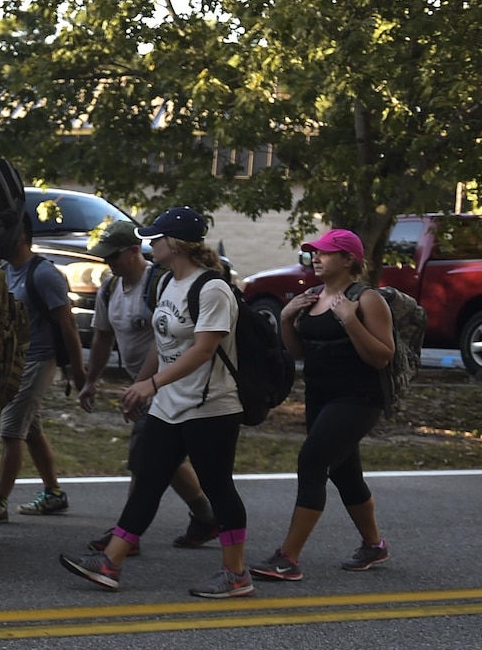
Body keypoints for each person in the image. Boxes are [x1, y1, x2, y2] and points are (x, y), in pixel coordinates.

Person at [59, 206, 255, 598]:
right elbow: (162, 344)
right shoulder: (166, 283)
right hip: (169, 405)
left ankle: (236, 574)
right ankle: (110, 563)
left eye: (156, 238)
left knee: (218, 487)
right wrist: (143, 385)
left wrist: (153, 384)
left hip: (210, 407)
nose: (150, 244)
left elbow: (203, 350)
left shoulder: (212, 288)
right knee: (148, 480)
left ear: (175, 244)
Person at [252, 228, 396, 579]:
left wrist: (350, 321)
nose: (316, 257)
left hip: (358, 398)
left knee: (312, 462)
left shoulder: (367, 300)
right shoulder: (313, 296)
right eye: (314, 252)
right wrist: (287, 318)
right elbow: (299, 352)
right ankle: (374, 546)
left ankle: (288, 557)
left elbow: (383, 357)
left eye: (326, 253)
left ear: (349, 259)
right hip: (320, 396)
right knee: (345, 474)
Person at [77, 223, 219, 551]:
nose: (108, 262)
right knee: (162, 458)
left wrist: (147, 385)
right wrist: (91, 380)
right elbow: (102, 337)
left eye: (113, 255)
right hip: (145, 385)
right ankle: (207, 517)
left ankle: (127, 535)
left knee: (145, 455)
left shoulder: (158, 283)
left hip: (172, 382)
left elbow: (166, 339)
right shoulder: (110, 289)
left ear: (131, 251)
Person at [0, 214, 85, 523]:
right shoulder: (6, 270)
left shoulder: (45, 274)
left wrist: (78, 371)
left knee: (11, 431)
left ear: (20, 237)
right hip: (15, 363)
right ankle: (53, 493)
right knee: (30, 430)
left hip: (37, 361)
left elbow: (68, 324)